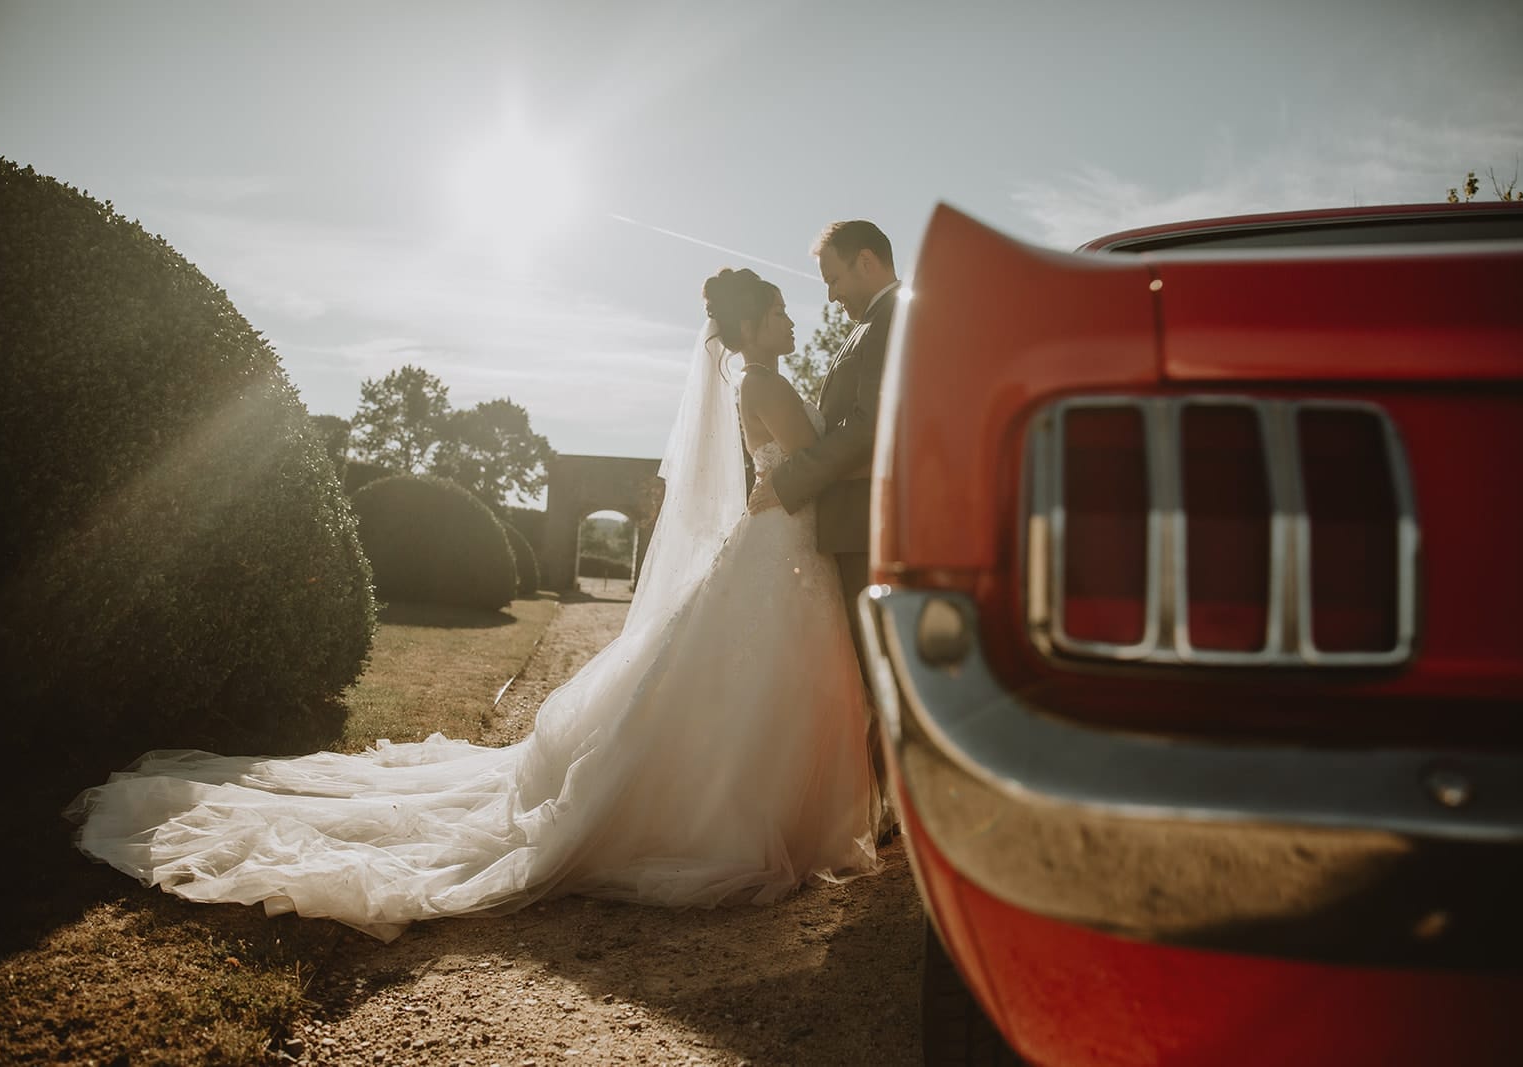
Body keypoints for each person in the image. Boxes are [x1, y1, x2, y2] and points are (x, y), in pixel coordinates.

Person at [66, 268, 882, 942]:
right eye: (777, 311)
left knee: (754, 688)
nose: (789, 320)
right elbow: (801, 470)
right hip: (782, 550)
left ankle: (761, 811)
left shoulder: (765, 380)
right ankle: (738, 821)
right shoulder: (769, 385)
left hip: (784, 551)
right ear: (751, 327)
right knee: (760, 684)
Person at [747, 220, 900, 832]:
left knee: (880, 670)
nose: (831, 295)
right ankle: (880, 804)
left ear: (867, 262)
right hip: (847, 523)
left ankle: (892, 807)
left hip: (871, 524)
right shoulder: (868, 326)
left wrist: (786, 483)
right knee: (865, 673)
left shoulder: (894, 320)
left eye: (834, 278)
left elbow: (865, 428)